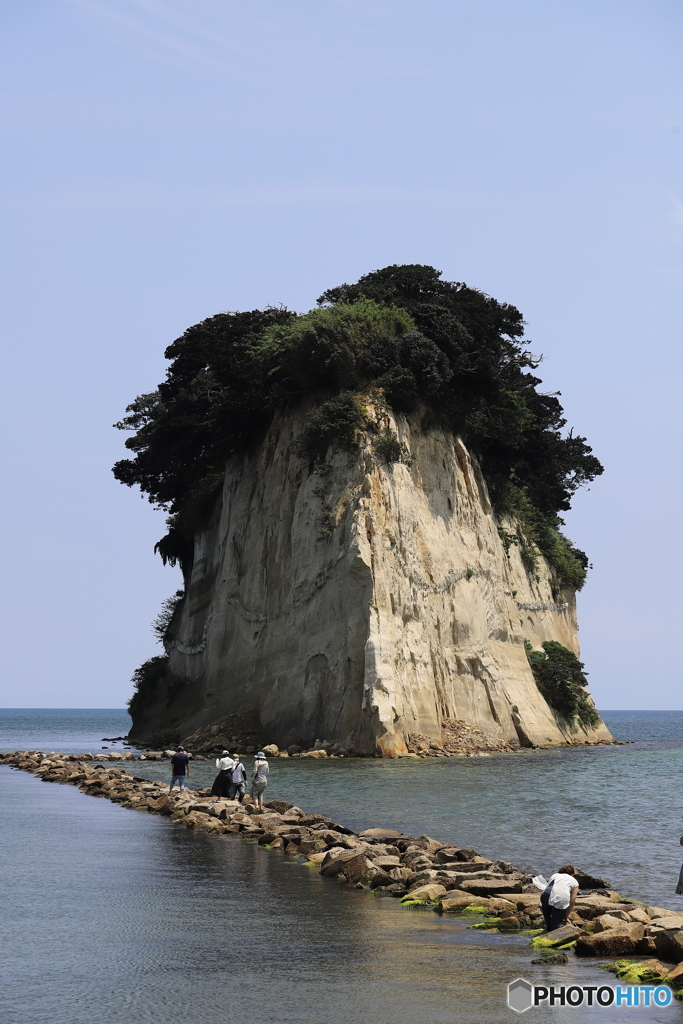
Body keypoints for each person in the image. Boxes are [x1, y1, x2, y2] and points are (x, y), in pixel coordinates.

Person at [541, 865, 579, 931]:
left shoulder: (554, 875)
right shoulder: (574, 881)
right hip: (561, 897)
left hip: (545, 895)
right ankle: (556, 930)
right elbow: (572, 900)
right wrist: (566, 917)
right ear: (572, 874)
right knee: (556, 923)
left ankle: (548, 927)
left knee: (548, 916)